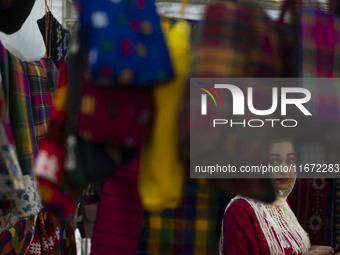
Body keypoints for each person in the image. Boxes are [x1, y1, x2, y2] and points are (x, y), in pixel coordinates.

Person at [219, 137, 339, 255]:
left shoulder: (281, 204)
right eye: (274, 162)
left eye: (290, 161)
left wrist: (311, 251)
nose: (284, 170)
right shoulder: (240, 210)